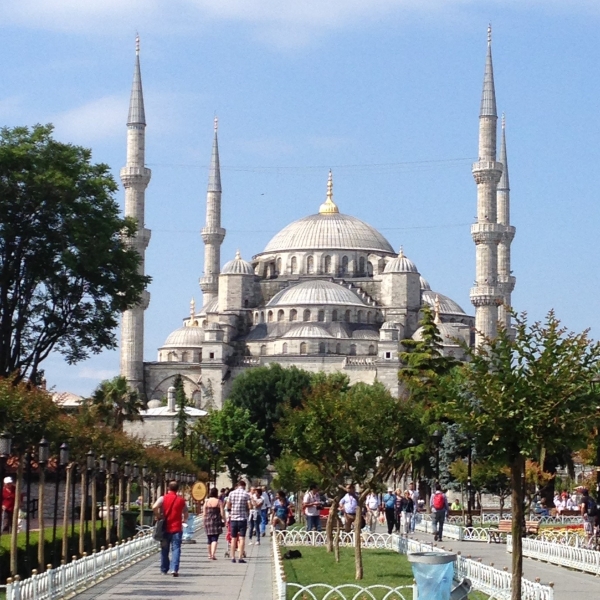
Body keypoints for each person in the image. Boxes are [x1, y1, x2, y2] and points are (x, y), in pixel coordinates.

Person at [152, 480, 188, 576]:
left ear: (168, 488)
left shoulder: (163, 498)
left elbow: (154, 506)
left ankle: (164, 569)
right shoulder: (181, 500)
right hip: (177, 528)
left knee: (164, 549)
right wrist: (184, 520)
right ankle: (174, 569)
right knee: (176, 549)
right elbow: (186, 513)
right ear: (178, 489)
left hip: (165, 528)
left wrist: (159, 515)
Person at [226, 480, 252, 563]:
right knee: (242, 538)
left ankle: (232, 557)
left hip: (233, 518)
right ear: (244, 486)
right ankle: (240, 557)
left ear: (237, 485)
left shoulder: (231, 493)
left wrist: (231, 511)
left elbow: (228, 505)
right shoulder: (246, 494)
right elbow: (250, 506)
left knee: (233, 538)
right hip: (242, 519)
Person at [203, 487, 225, 560]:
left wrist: (204, 522)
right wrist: (224, 519)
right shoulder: (219, 501)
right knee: (215, 538)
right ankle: (213, 554)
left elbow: (204, 513)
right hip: (216, 521)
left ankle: (209, 554)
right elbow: (222, 513)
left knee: (209, 539)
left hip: (207, 521)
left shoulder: (206, 501)